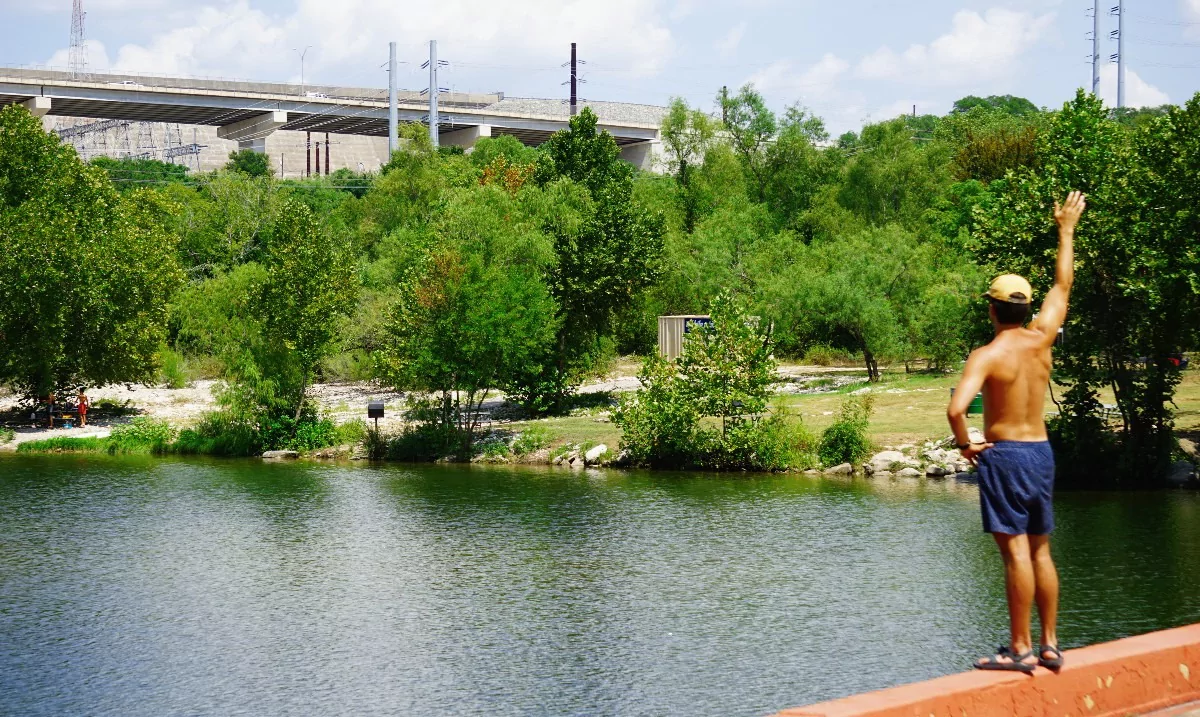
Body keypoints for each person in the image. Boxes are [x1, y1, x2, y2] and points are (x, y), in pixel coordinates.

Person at [947, 190, 1086, 674]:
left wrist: (966, 444)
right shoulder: (1043, 337)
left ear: (991, 309)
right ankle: (1050, 645)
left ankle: (1020, 648)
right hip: (1041, 451)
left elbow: (957, 408)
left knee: (1014, 553)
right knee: (1041, 546)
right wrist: (1065, 230)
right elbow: (1063, 287)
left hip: (1004, 454)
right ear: (1025, 310)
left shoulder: (986, 356)